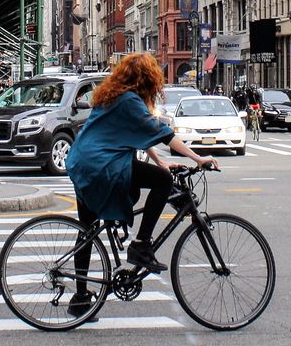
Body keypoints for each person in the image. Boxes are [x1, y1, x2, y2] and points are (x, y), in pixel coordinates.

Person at [66, 52, 218, 314]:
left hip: (83, 163)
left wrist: (159, 161)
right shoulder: (129, 101)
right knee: (162, 181)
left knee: (86, 230)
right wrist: (197, 158)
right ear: (147, 79)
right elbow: (162, 133)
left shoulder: (111, 96)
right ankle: (141, 245)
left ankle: (80, 299)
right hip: (102, 164)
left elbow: (140, 133)